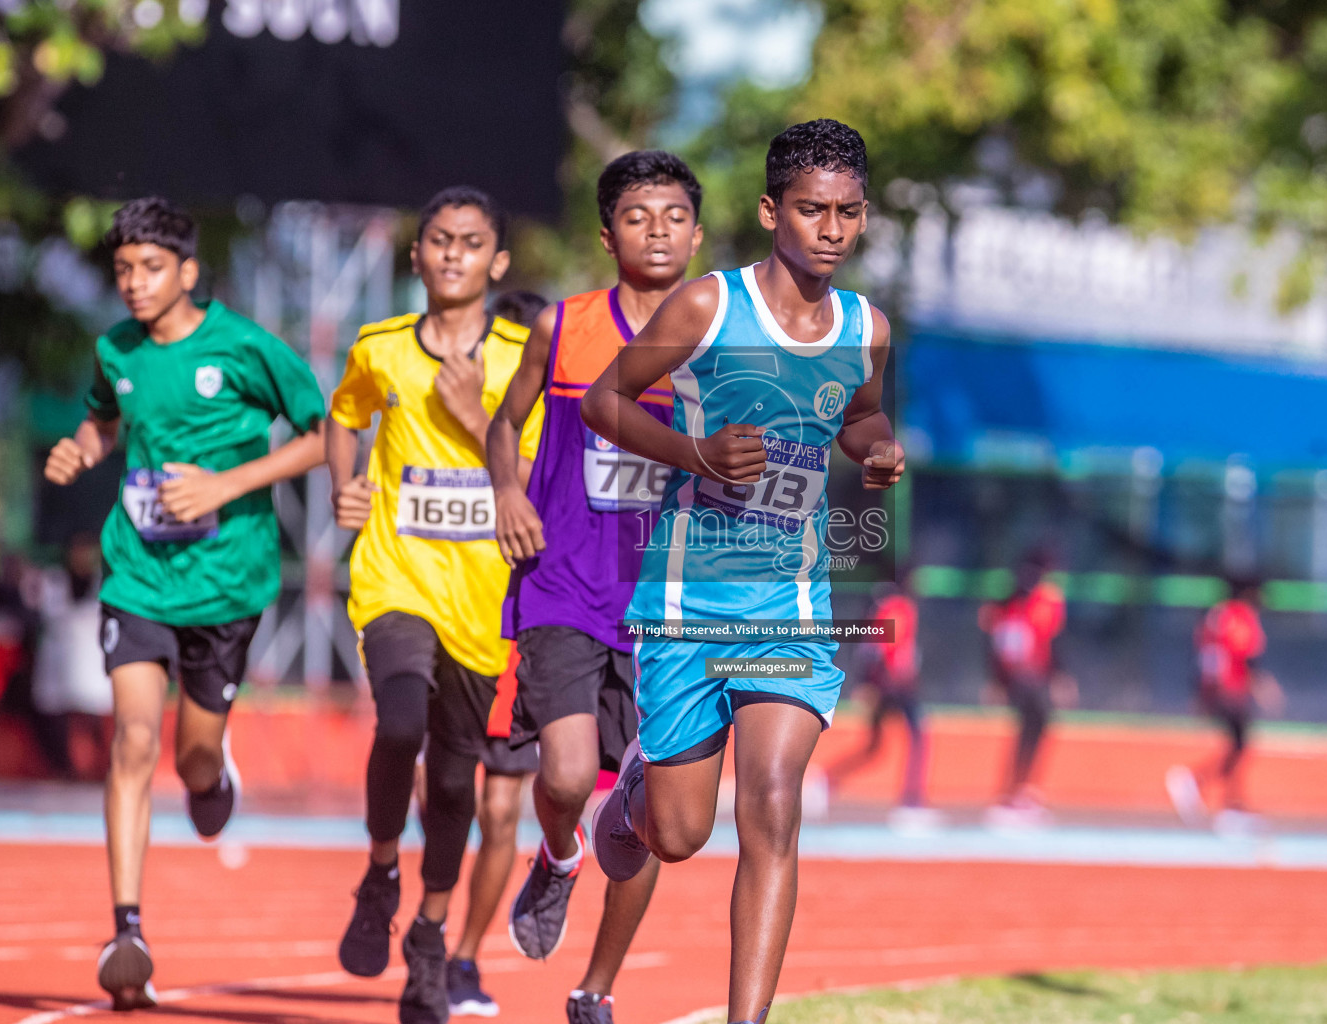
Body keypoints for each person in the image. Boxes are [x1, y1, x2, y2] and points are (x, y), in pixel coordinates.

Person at [584, 119, 903, 1024]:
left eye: (847, 213)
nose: (830, 229)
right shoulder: (706, 308)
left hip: (792, 603)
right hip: (686, 599)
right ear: (772, 212)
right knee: (680, 836)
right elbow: (604, 402)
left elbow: (860, 416)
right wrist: (695, 453)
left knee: (771, 802)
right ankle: (639, 790)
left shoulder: (865, 326)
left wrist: (878, 449)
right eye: (811, 210)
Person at [43, 197, 326, 1011]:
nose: (133, 284)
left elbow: (320, 432)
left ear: (189, 272)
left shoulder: (243, 347)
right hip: (136, 577)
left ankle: (211, 774)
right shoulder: (116, 349)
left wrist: (227, 483)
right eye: (124, 269)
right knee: (132, 739)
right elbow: (106, 418)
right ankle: (126, 929)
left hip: (227, 584)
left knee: (191, 758)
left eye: (151, 268)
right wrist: (81, 447)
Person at [487, 150, 704, 1024]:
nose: (657, 231)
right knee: (571, 774)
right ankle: (559, 854)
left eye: (674, 216)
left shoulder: (720, 341)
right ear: (607, 233)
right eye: (638, 216)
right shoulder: (565, 326)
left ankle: (596, 987)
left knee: (648, 808)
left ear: (697, 231)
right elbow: (507, 424)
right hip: (564, 585)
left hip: (671, 606)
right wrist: (507, 489)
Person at [328, 187, 543, 1024]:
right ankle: (383, 869)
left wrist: (474, 412)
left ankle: (429, 934)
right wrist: (346, 484)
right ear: (416, 256)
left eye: (471, 243)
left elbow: (543, 473)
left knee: (455, 781)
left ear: (497, 263)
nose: (452, 254)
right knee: (400, 723)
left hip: (483, 597)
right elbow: (342, 416)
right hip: (396, 577)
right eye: (438, 241)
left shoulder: (528, 352)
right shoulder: (380, 346)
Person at [1166, 576, 1283, 831]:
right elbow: (1245, 654)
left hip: (1218, 687)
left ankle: (1224, 799)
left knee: (1237, 744)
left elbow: (1206, 656)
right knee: (1239, 743)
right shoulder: (1240, 617)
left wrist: (1202, 690)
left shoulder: (1216, 616)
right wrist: (1261, 685)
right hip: (1231, 688)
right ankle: (1208, 790)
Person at [978, 553, 1076, 826]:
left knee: (1033, 728)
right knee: (1031, 728)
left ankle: (1019, 790)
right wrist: (1059, 676)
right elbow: (1046, 640)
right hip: (1025, 676)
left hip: (1025, 675)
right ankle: (1014, 792)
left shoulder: (1015, 601)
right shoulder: (1033, 601)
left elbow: (1001, 640)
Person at [820, 582, 929, 817]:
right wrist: (878, 683)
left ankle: (827, 779)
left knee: (874, 746)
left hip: (885, 685)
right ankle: (911, 801)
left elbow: (869, 648)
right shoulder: (899, 607)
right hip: (894, 686)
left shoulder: (880, 608)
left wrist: (867, 683)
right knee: (918, 737)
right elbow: (885, 648)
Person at [31, 533, 113, 780]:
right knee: (57, 714)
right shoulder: (53, 580)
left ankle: (102, 767)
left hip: (91, 658)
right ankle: (63, 768)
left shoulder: (103, 581)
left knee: (96, 714)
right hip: (60, 656)